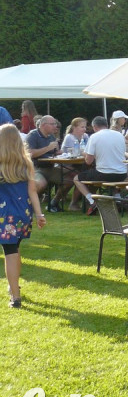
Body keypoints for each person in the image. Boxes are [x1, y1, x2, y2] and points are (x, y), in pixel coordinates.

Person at [0, 124, 46, 308]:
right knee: (15, 250)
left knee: (9, 252)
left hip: (3, 215)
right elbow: (33, 191)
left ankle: (15, 296)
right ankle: (14, 287)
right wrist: (39, 213)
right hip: (22, 214)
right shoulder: (26, 162)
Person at [72, 116, 128, 212]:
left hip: (104, 174)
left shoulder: (95, 136)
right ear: (106, 125)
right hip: (122, 173)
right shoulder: (119, 135)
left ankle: (91, 200)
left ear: (94, 127)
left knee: (77, 179)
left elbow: (88, 161)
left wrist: (84, 153)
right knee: (108, 177)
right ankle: (118, 199)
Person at [24, 115, 61, 196]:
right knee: (41, 184)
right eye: (53, 124)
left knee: (70, 179)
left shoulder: (51, 136)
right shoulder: (33, 135)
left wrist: (62, 153)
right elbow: (29, 153)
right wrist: (48, 148)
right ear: (43, 125)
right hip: (35, 168)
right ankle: (27, 203)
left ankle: (54, 202)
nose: (55, 126)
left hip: (50, 168)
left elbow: (54, 153)